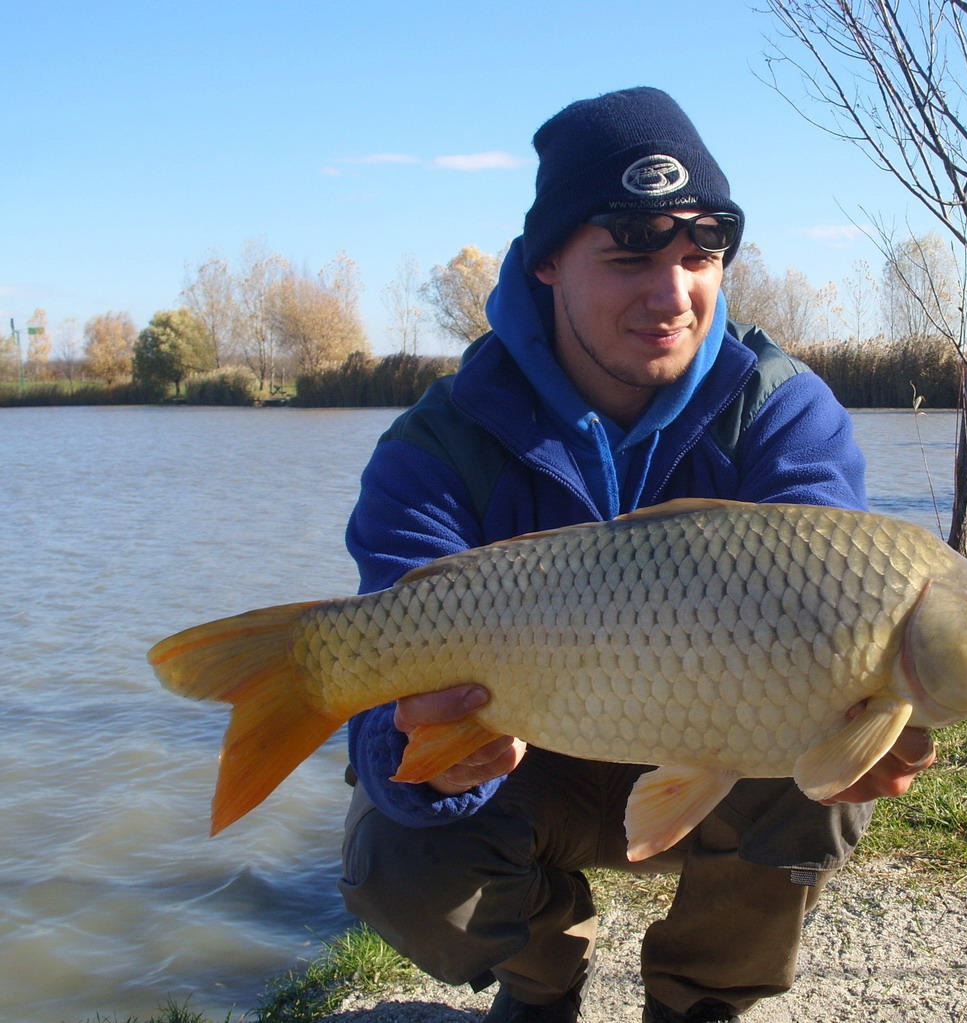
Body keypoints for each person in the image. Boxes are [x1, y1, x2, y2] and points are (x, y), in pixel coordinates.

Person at [338, 86, 936, 1023]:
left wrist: (872, 710)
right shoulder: (437, 445)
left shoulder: (782, 413)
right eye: (628, 258)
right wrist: (425, 755)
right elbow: (379, 724)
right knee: (401, 854)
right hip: (535, 763)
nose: (673, 294)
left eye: (701, 255)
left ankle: (700, 1001)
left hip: (724, 750)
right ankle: (539, 982)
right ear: (547, 266)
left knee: (824, 760)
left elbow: (838, 617)